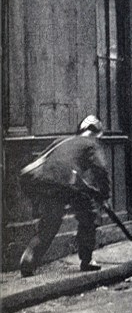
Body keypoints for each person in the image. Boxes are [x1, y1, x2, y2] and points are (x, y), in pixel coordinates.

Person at [19, 116, 110, 277]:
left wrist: (91, 190)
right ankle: (86, 260)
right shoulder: (91, 144)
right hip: (67, 182)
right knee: (88, 216)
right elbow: (101, 169)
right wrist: (104, 195)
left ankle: (29, 258)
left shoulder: (63, 140)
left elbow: (45, 160)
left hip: (47, 182)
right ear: (95, 132)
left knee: (50, 223)